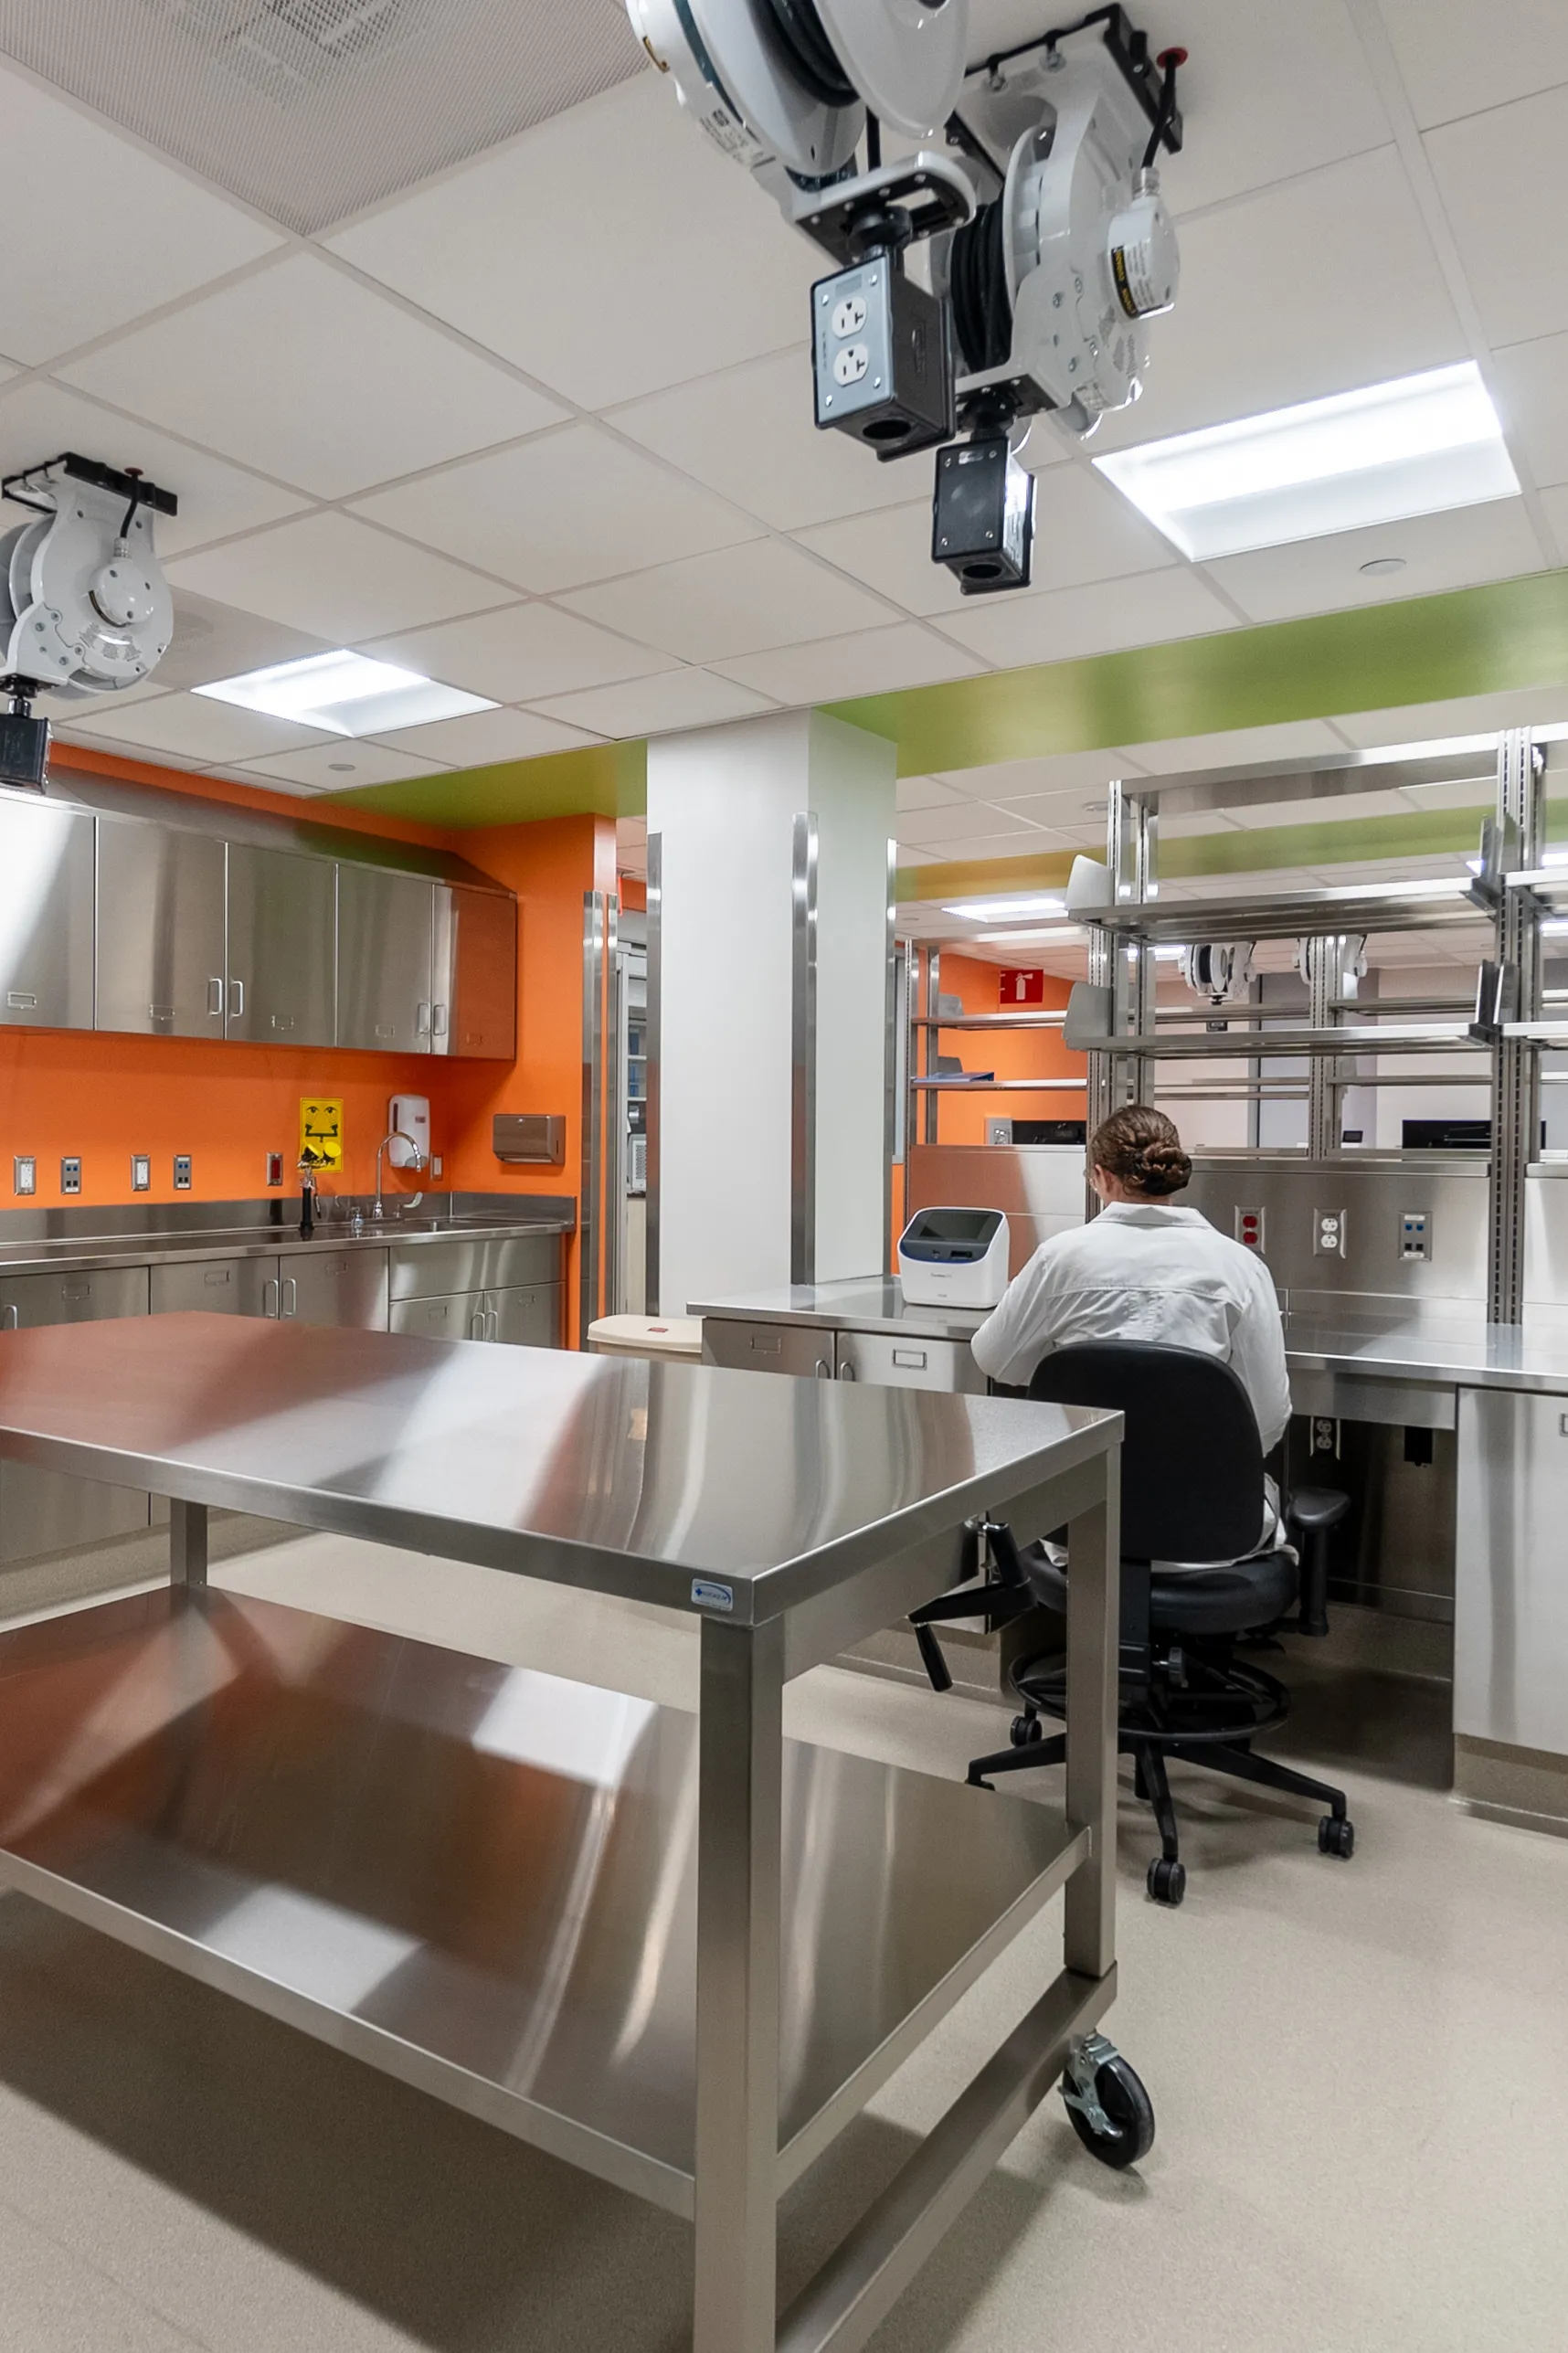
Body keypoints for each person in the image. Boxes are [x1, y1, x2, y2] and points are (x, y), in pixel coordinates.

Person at [972, 1105, 1291, 1475]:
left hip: (1078, 1510)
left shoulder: (1058, 1260)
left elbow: (994, 1360)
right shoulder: (1241, 1268)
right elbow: (1268, 1416)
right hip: (1204, 1518)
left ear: (1100, 1176)